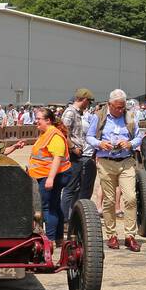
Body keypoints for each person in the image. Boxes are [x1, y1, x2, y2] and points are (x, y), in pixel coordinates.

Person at [87, 89, 144, 251]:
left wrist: (130, 143)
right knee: (109, 200)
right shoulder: (98, 117)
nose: (120, 110)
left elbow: (139, 136)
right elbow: (89, 137)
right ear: (110, 104)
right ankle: (111, 235)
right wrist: (100, 144)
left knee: (131, 198)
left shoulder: (130, 116)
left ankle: (130, 236)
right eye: (118, 107)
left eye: (122, 107)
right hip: (106, 161)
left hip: (126, 161)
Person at [27, 107, 70, 247]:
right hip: (46, 174)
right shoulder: (46, 133)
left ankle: (50, 240)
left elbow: (57, 158)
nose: (36, 121)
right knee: (55, 206)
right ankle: (58, 239)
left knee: (47, 208)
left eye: (39, 119)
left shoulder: (54, 135)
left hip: (50, 176)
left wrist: (50, 178)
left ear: (48, 120)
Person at [59, 88, 95, 228]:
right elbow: (62, 132)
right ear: (84, 99)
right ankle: (65, 220)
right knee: (69, 188)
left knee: (75, 188)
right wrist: (73, 148)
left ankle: (71, 217)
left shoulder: (76, 113)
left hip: (77, 154)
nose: (89, 105)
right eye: (89, 102)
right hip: (72, 155)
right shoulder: (70, 112)